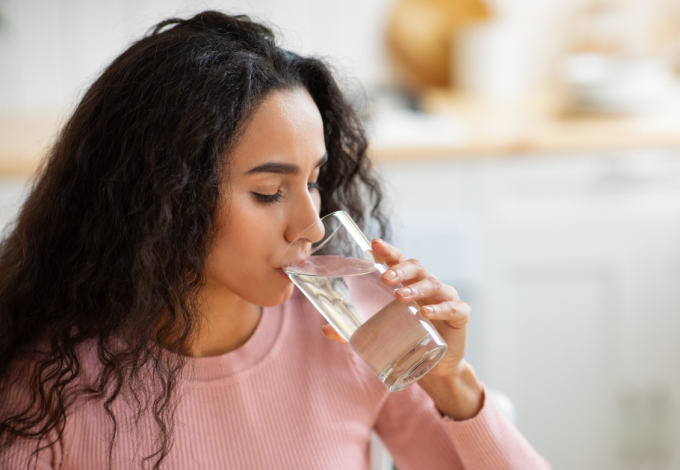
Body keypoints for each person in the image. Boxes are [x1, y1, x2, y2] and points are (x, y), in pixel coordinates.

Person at [0, 11, 551, 470]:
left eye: (313, 182)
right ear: (160, 198)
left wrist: (453, 384)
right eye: (269, 192)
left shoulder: (354, 332)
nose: (312, 226)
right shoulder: (50, 384)